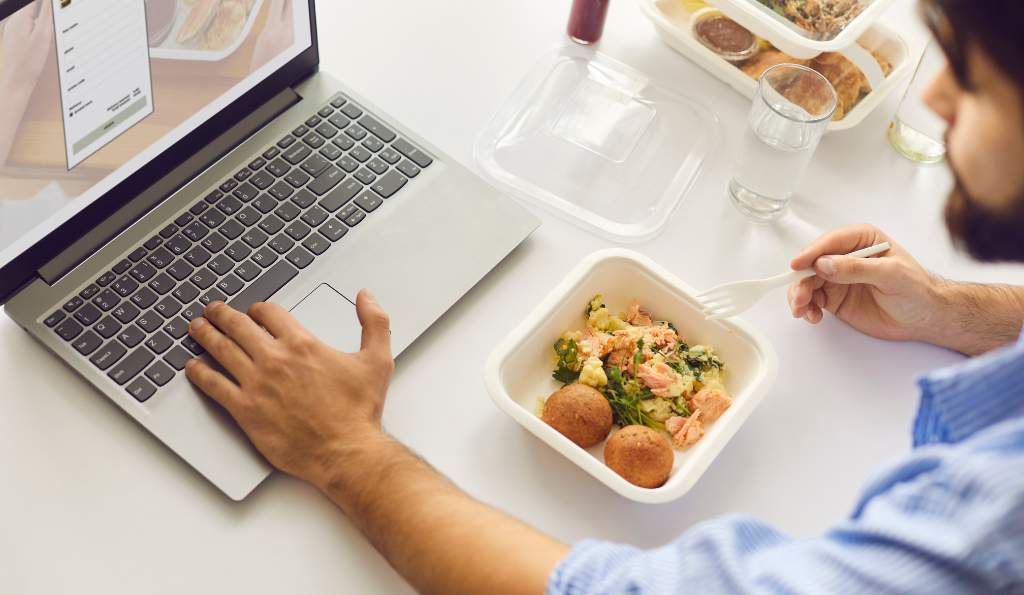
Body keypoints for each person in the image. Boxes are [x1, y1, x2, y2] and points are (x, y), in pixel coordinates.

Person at [182, 0, 1024, 592]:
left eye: (973, 75)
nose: (939, 96)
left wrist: (345, 449)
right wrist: (958, 310)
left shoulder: (988, 531)